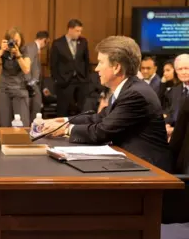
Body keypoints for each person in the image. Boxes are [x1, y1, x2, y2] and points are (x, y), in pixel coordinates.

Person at [43, 36, 173, 173]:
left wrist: (65, 129)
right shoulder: (128, 89)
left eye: (100, 62)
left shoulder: (135, 94)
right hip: (131, 162)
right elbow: (98, 118)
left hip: (148, 169)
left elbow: (102, 131)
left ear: (116, 67)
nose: (96, 69)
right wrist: (63, 121)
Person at [0, 27, 31, 127]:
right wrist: (1, 51)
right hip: (4, 89)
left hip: (19, 90)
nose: (14, 43)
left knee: (22, 125)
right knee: (5, 124)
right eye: (12, 41)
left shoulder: (24, 49)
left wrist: (18, 55)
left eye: (16, 41)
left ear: (21, 40)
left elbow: (26, 69)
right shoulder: (3, 49)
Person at [50, 19, 91, 116]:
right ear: (70, 29)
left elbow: (86, 61)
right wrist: (57, 79)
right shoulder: (58, 43)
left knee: (81, 110)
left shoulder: (83, 42)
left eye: (80, 31)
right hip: (64, 82)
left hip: (80, 80)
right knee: (63, 110)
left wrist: (87, 78)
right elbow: (53, 64)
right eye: (77, 31)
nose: (79, 33)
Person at [25, 30, 50, 123]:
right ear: (44, 40)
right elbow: (27, 66)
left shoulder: (35, 48)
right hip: (32, 85)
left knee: (36, 110)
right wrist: (29, 84)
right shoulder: (32, 47)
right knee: (34, 112)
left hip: (34, 85)